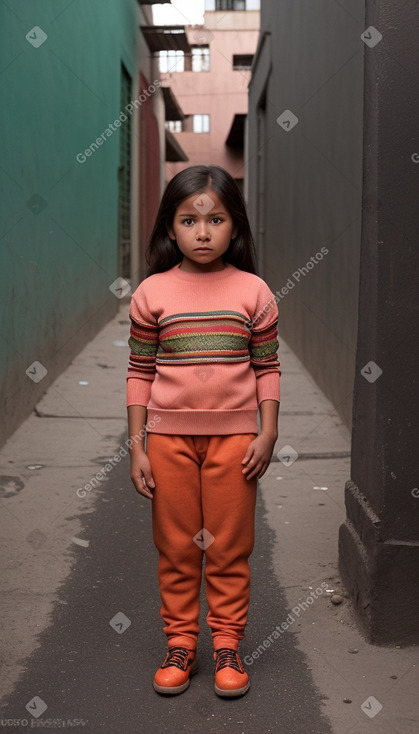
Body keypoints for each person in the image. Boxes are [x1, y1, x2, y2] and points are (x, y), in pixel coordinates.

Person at [126, 164, 280, 698]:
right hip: (168, 442)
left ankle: (228, 646)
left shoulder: (254, 292)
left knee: (229, 547)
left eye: (216, 219)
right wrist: (137, 447)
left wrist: (268, 432)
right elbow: (140, 372)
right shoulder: (151, 293)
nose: (204, 231)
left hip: (236, 441)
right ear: (170, 228)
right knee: (178, 547)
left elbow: (267, 367)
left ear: (234, 226)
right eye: (189, 220)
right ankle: (181, 645)